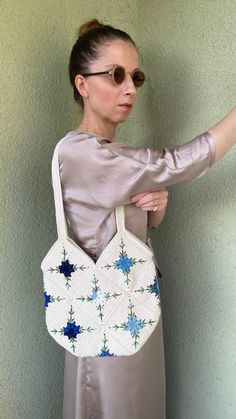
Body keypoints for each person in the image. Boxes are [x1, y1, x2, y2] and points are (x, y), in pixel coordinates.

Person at [58, 19, 235, 419]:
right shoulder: (82, 153)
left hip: (134, 309)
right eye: (115, 75)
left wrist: (156, 209)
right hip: (106, 319)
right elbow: (176, 163)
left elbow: (139, 226)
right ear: (82, 84)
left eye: (135, 76)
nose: (129, 89)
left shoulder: (111, 153)